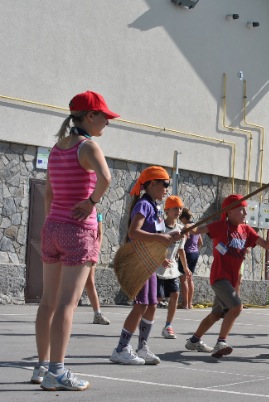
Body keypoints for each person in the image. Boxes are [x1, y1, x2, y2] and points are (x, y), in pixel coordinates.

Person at [32, 91, 117, 391]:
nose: (107, 122)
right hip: (78, 231)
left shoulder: (57, 148)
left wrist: (52, 221)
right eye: (104, 116)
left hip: (53, 227)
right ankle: (57, 371)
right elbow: (106, 178)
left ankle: (41, 366)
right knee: (67, 304)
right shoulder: (88, 147)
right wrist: (91, 202)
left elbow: (49, 193)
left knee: (48, 301)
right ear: (90, 116)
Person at [184, 194, 269, 358]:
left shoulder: (246, 230)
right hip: (219, 277)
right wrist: (187, 226)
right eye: (241, 210)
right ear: (229, 212)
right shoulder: (220, 226)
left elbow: (266, 245)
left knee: (216, 314)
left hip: (232, 280)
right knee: (236, 307)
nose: (245, 213)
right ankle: (221, 342)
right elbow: (198, 230)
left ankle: (194, 341)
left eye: (245, 210)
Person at [110, 166, 183, 366]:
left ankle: (142, 347)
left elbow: (158, 236)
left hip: (150, 262)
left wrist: (171, 236)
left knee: (152, 304)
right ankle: (121, 349)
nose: (167, 189)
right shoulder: (144, 205)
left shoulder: (155, 207)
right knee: (141, 304)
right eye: (165, 184)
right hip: (140, 261)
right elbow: (134, 232)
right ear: (152, 184)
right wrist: (161, 238)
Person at [157, 196, 190, 339]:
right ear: (167, 210)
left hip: (171, 268)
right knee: (157, 298)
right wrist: (160, 258)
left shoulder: (181, 229)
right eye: (175, 208)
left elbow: (181, 250)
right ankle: (144, 321)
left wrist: (186, 267)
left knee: (175, 294)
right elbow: (153, 245)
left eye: (180, 208)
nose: (179, 211)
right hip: (156, 267)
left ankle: (168, 325)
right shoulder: (159, 225)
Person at [84, 211, 110, 325]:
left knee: (90, 282)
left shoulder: (97, 213)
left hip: (90, 250)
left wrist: (95, 251)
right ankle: (56, 312)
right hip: (76, 248)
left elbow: (100, 234)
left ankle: (97, 314)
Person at [177, 208, 202, 310]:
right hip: (195, 253)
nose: (180, 221)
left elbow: (180, 238)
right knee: (190, 278)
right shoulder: (196, 226)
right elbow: (200, 242)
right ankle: (190, 303)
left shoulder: (186, 227)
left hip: (186, 253)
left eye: (180, 218)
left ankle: (185, 303)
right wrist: (195, 249)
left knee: (183, 279)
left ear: (183, 218)